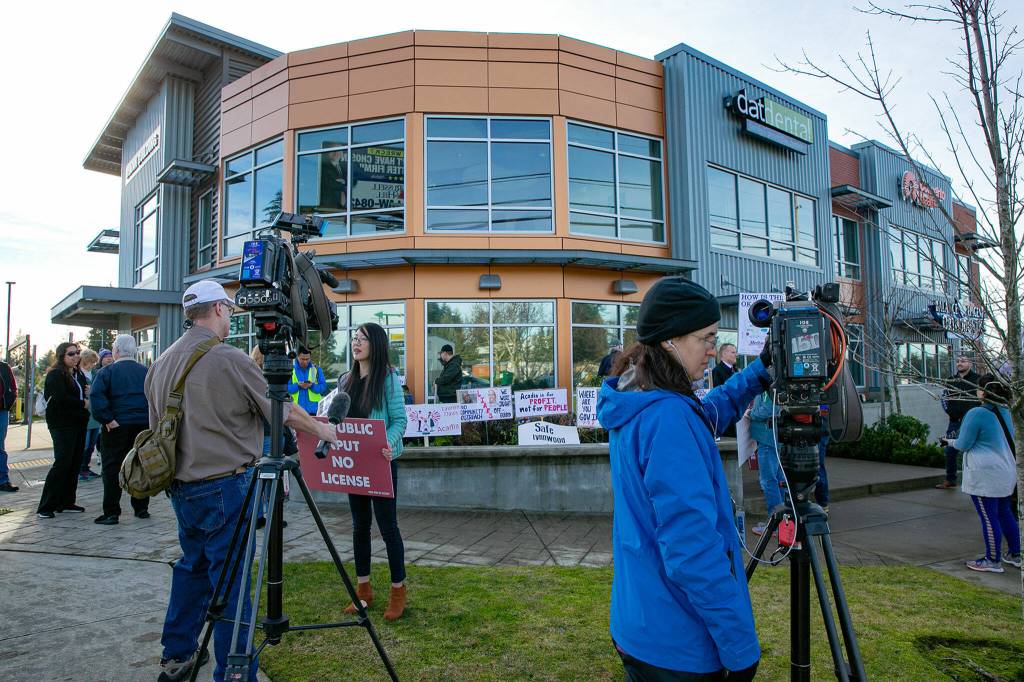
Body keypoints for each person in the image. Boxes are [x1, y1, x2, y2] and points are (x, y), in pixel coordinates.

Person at [150, 280, 336, 682]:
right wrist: (324, 432)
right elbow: (281, 411)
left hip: (181, 488)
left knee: (192, 569)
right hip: (225, 487)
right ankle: (234, 674)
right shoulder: (228, 358)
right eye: (229, 310)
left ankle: (177, 654)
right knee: (231, 584)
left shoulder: (162, 360)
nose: (232, 316)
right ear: (218, 310)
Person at [597, 276, 769, 681]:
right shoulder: (668, 417)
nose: (713, 350)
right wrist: (741, 648)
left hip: (641, 622)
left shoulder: (642, 395)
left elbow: (707, 411)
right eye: (706, 338)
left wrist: (761, 373)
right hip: (676, 644)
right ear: (672, 340)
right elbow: (692, 550)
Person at [339, 322, 409, 621]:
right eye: (354, 338)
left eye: (362, 339)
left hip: (381, 462)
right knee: (359, 527)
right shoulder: (346, 380)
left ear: (376, 345)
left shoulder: (390, 380)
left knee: (388, 527)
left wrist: (388, 444)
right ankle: (363, 590)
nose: (356, 343)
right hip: (356, 465)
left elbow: (400, 420)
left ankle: (398, 590)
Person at [943, 374, 1020, 572]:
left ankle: (992, 560)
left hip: (985, 474)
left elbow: (964, 444)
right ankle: (1015, 553)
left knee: (988, 516)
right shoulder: (1008, 411)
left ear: (983, 392)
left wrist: (949, 441)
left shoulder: (977, 413)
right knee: (1004, 512)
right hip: (1006, 470)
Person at [89, 335, 151, 525]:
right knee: (140, 467)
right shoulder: (146, 372)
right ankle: (141, 508)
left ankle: (111, 512)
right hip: (142, 425)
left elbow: (96, 396)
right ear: (134, 351)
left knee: (111, 468)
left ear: (115, 351)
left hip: (116, 426)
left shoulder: (107, 372)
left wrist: (108, 419)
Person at [36, 342, 90, 518]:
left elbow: (79, 393)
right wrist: (82, 403)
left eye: (77, 353)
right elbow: (60, 398)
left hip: (78, 423)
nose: (76, 356)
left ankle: (66, 501)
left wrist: (87, 392)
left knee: (74, 462)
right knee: (62, 462)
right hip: (62, 424)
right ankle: (46, 506)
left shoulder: (77, 373)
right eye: (71, 354)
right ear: (62, 356)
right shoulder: (55, 374)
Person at [936, 355, 980, 489]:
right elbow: (944, 399)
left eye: (963, 361)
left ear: (970, 364)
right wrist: (951, 412)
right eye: (958, 361)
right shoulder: (951, 380)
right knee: (950, 450)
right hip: (955, 422)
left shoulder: (977, 380)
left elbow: (980, 400)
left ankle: (977, 481)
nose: (960, 363)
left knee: (975, 451)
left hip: (972, 421)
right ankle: (951, 479)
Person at [748, 391, 784, 535]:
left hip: (768, 439)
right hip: (770, 438)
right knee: (779, 480)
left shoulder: (770, 388)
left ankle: (774, 524)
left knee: (768, 481)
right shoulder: (770, 387)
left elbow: (769, 409)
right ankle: (781, 521)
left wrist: (751, 413)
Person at [78, 348, 103, 481]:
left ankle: (86, 467)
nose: (92, 365)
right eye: (90, 362)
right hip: (84, 414)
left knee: (92, 444)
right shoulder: (78, 374)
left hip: (94, 413)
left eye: (94, 362)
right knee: (85, 444)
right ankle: (80, 469)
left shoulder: (95, 374)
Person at [287, 347, 328, 415]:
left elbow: (323, 387)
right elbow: (285, 388)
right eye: (302, 359)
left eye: (307, 359)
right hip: (295, 410)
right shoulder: (291, 370)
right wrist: (298, 386)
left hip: (314, 410)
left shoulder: (316, 369)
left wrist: (312, 386)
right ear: (297, 357)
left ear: (310, 357)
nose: (305, 361)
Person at [712, 342, 741, 437]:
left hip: (737, 416)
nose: (736, 355)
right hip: (726, 418)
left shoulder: (736, 371)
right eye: (733, 352)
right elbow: (718, 395)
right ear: (724, 354)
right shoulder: (717, 371)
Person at [0, 357, 18, 493]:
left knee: (0, 447)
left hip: (2, 410)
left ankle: (3, 481)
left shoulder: (4, 367)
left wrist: (8, 404)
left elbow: (13, 387)